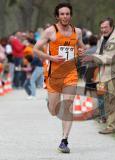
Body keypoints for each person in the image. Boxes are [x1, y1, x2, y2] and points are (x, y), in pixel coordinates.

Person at [33, 2, 85, 153]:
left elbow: (81, 47)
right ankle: (50, 103)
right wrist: (51, 57)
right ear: (57, 16)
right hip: (53, 73)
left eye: (67, 14)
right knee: (54, 110)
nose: (65, 16)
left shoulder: (78, 31)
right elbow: (36, 50)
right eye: (62, 14)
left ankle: (64, 140)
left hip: (70, 73)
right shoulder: (50, 31)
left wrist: (81, 52)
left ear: (71, 15)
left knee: (67, 106)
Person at [81, 17, 115, 134]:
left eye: (105, 27)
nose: (103, 29)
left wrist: (92, 58)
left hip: (114, 74)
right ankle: (108, 123)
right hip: (102, 74)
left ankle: (112, 126)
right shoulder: (102, 38)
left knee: (113, 99)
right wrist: (89, 57)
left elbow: (109, 58)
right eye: (101, 27)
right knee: (104, 98)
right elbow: (98, 53)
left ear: (111, 26)